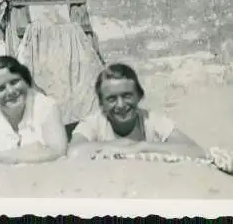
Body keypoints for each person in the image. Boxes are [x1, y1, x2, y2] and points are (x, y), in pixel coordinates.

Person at [67, 63, 206, 159]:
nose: (120, 105)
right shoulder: (93, 123)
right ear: (101, 104)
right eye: (111, 99)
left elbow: (196, 151)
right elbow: (74, 152)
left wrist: (143, 146)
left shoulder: (151, 120)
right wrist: (124, 145)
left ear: (139, 96)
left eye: (127, 96)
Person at [0, 56, 68, 168]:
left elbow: (58, 152)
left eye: (14, 82)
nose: (10, 91)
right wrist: (32, 152)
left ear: (26, 81)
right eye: (0, 89)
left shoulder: (45, 106)